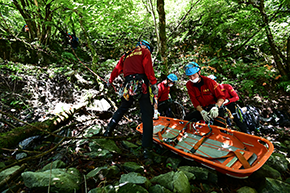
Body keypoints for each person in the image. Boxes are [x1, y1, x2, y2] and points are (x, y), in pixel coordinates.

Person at [105, 40, 158, 158]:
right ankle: (146, 149)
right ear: (145, 46)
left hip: (128, 86)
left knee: (123, 108)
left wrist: (110, 80)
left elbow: (117, 69)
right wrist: (153, 83)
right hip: (142, 84)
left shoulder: (126, 55)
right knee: (147, 115)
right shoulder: (144, 52)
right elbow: (148, 68)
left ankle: (108, 130)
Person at [183, 62, 226, 128]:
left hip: (214, 108)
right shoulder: (189, 85)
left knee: (220, 127)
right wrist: (202, 111)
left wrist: (216, 107)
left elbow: (221, 97)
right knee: (186, 121)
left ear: (199, 72)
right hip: (203, 109)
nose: (192, 78)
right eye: (189, 76)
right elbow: (194, 101)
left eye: (194, 75)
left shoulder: (209, 82)